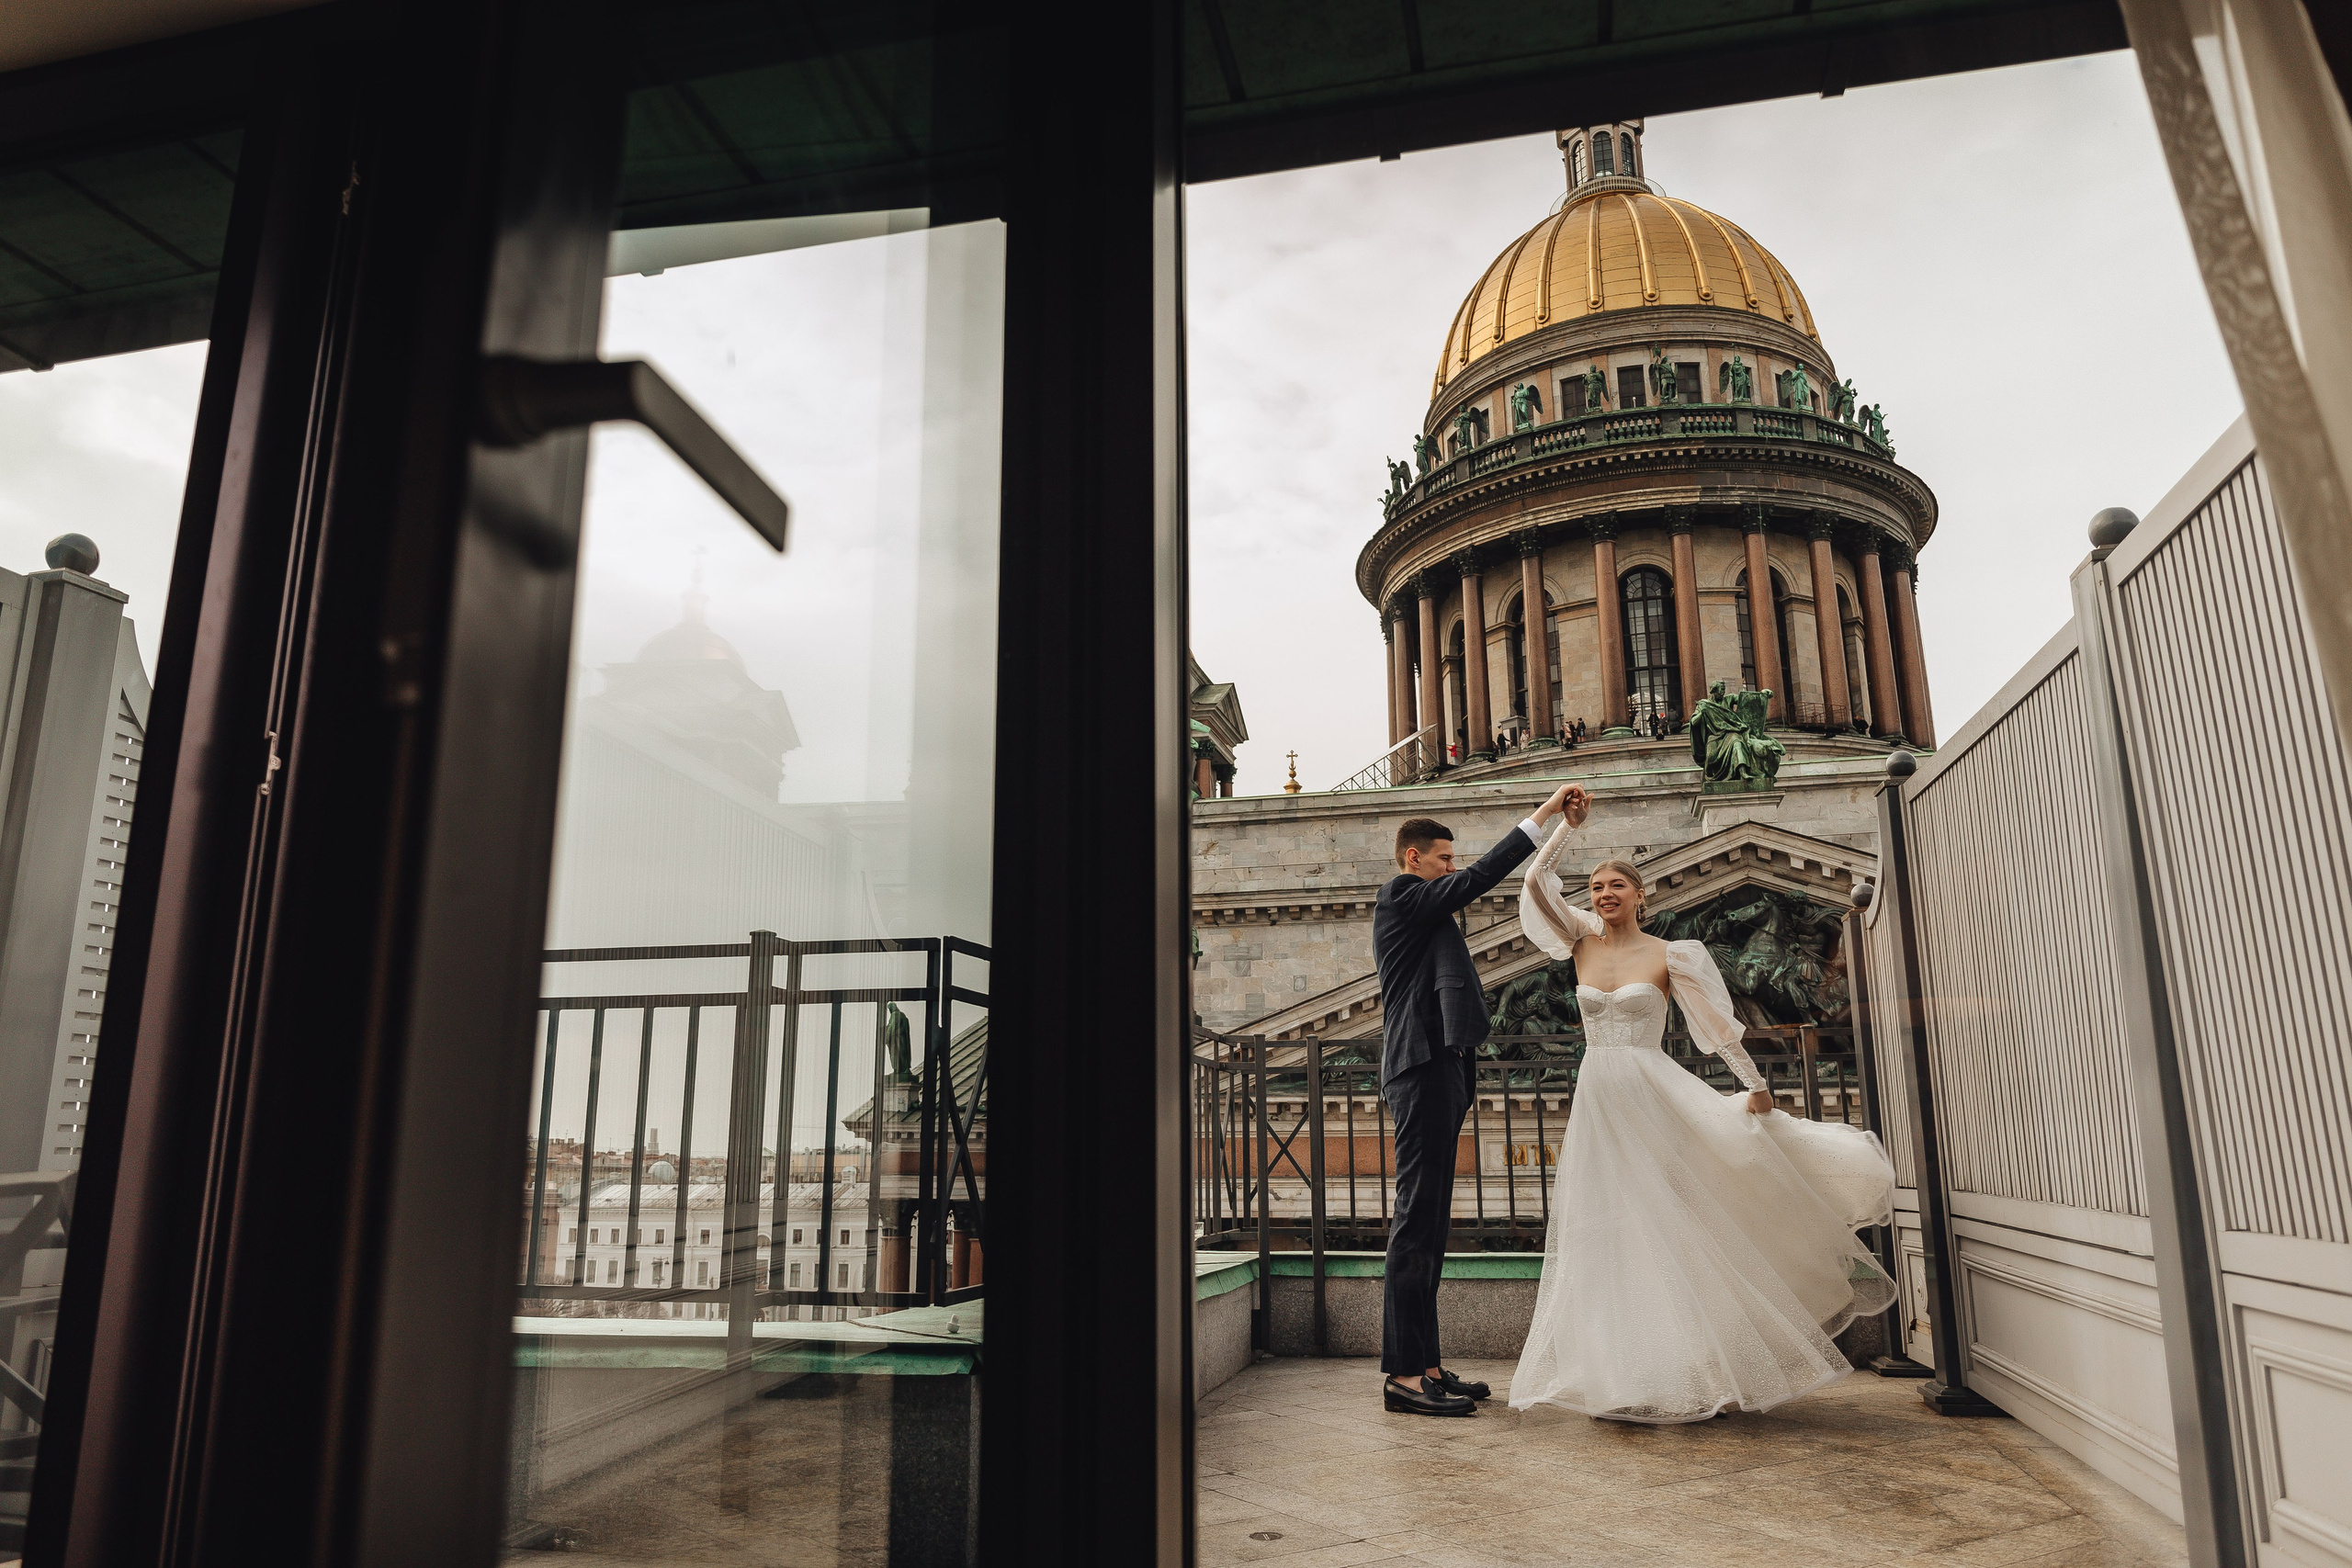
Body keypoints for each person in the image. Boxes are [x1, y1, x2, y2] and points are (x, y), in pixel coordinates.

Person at [1506, 792, 1898, 1422]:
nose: (1604, 894)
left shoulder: (1672, 954)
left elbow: (1716, 1028)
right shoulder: (1578, 942)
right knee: (1605, 1228)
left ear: (1640, 896)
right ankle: (1622, 1372)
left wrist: (1755, 1086)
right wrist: (1563, 823)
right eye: (1596, 887)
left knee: (1663, 1224)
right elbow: (1534, 882)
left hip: (1649, 1092)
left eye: (1616, 885)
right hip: (1599, 1099)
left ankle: (1687, 1367)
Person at [1374, 784, 1579, 1416]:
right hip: (1420, 1065)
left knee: (1432, 1223)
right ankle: (1403, 1375)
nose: (1452, 867)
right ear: (1413, 858)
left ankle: (1428, 1365)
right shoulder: (1402, 895)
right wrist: (1544, 814)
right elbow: (1481, 877)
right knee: (1416, 1220)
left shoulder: (1426, 909)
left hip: (1442, 1066)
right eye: (1443, 858)